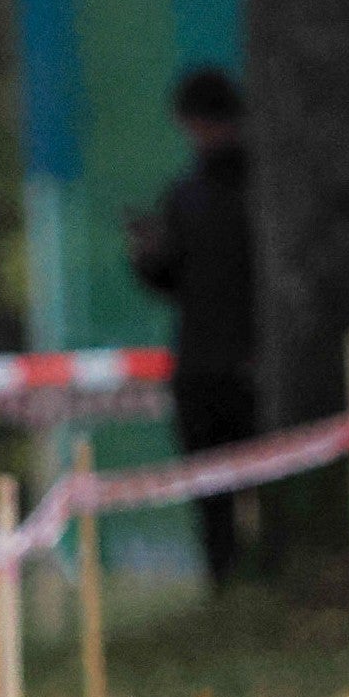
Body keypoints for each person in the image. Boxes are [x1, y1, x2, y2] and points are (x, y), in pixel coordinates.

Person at [126, 64, 260, 584]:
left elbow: (168, 277)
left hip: (216, 364)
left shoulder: (196, 195)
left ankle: (229, 577)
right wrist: (149, 255)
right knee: (235, 485)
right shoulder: (200, 194)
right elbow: (171, 276)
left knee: (219, 491)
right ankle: (238, 577)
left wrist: (149, 255)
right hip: (230, 362)